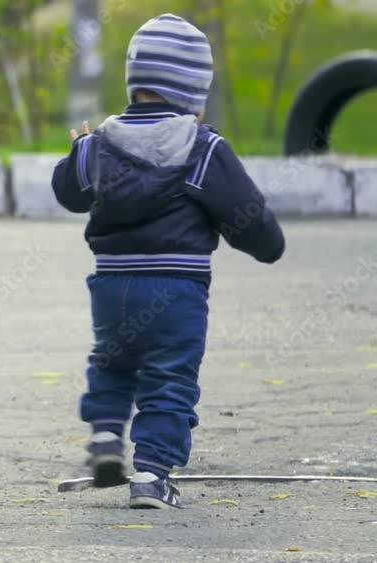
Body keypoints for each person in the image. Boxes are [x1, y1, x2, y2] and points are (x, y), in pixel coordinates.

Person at [51, 14, 285, 508]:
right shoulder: (203, 149)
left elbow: (68, 194)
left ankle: (106, 437)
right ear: (195, 93)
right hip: (177, 292)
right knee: (169, 380)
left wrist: (76, 152)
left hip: (112, 289)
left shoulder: (99, 145)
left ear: (135, 83)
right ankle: (152, 476)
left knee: (112, 363)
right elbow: (253, 223)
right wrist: (268, 245)